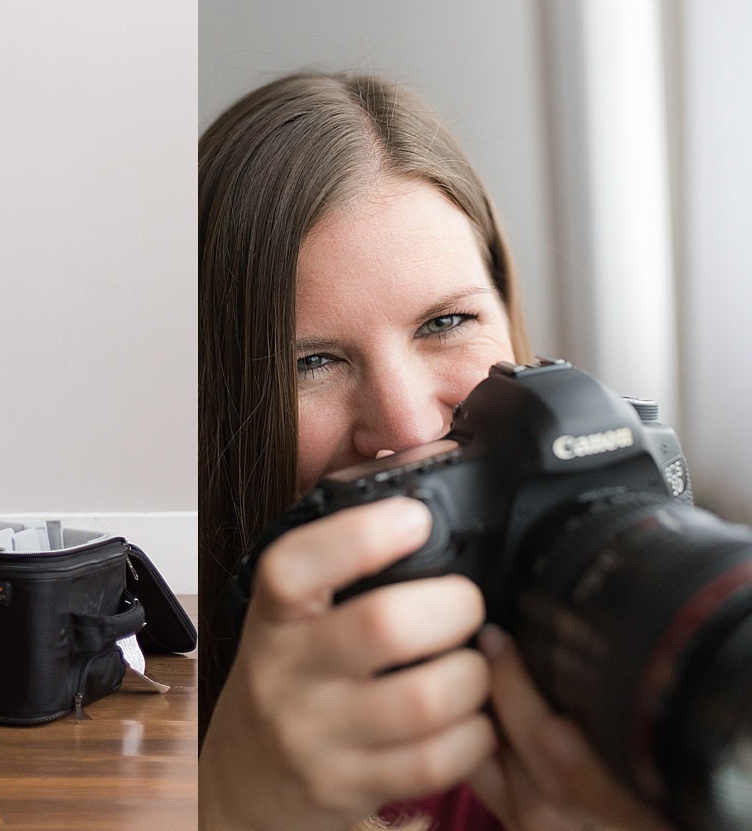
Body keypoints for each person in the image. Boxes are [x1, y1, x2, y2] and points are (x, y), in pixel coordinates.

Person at [197, 71, 666, 829]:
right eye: (310, 362)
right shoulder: (165, 747)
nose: (410, 427)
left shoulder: (644, 629)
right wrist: (233, 807)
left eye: (446, 322)